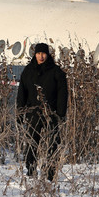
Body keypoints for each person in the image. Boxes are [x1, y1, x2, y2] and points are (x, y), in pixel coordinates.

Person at [16, 43, 68, 181]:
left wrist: (60, 114)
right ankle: (31, 171)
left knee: (53, 143)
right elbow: (22, 93)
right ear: (35, 54)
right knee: (32, 143)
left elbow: (63, 93)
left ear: (48, 54)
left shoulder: (56, 72)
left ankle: (51, 173)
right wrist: (20, 112)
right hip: (33, 112)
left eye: (43, 53)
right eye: (38, 53)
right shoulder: (28, 70)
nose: (41, 56)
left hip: (51, 114)